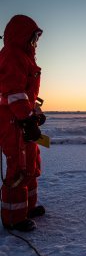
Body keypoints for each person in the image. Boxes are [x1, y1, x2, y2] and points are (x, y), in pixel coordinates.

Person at [0, 15, 46, 231]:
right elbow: (14, 92)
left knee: (31, 164)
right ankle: (13, 217)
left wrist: (35, 113)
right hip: (12, 122)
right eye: (34, 37)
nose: (36, 42)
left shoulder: (26, 58)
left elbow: (28, 94)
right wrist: (26, 120)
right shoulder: (12, 56)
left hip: (24, 120)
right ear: (23, 36)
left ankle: (27, 208)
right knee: (18, 167)